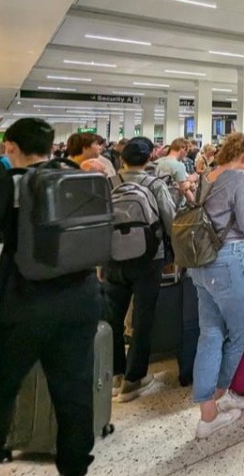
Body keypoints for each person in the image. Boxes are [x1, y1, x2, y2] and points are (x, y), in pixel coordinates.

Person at [0, 118, 103, 476]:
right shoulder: (77, 178)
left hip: (21, 306)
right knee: (74, 395)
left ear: (10, 146)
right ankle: (75, 468)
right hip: (80, 300)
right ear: (51, 147)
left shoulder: (8, 186)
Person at [189, 133, 244, 439]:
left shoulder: (207, 174)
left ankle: (208, 412)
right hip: (231, 261)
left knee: (210, 334)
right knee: (241, 330)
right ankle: (221, 392)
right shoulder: (238, 178)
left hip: (201, 262)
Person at [103, 137, 177, 402]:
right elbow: (170, 222)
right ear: (149, 160)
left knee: (112, 316)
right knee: (143, 317)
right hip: (149, 258)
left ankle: (115, 375)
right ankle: (135, 378)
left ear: (122, 159)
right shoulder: (155, 184)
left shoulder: (108, 184)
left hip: (112, 258)